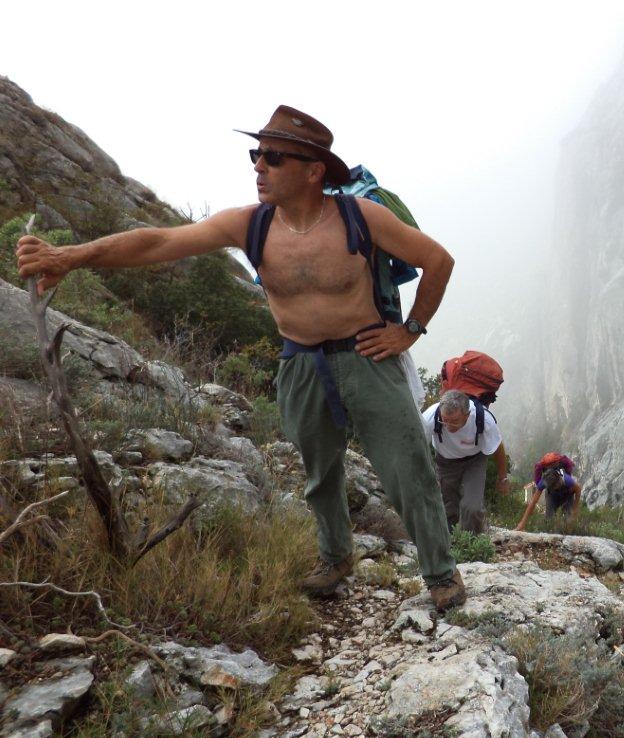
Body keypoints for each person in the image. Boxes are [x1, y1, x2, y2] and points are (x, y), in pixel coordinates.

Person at [17, 105, 466, 610]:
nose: (259, 167)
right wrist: (70, 256)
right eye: (257, 155)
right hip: (300, 364)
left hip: (366, 354)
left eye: (274, 158)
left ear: (314, 170)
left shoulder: (358, 217)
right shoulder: (250, 225)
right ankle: (336, 559)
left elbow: (438, 260)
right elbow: (159, 242)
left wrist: (408, 332)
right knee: (321, 474)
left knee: (407, 467)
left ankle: (440, 573)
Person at [421, 390, 508, 534]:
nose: (448, 426)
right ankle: (449, 542)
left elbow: (497, 447)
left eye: (454, 421)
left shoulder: (483, 419)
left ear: (467, 415)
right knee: (447, 506)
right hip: (445, 462)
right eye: (444, 420)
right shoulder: (431, 416)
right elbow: (416, 444)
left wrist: (503, 478)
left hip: (474, 461)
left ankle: (471, 543)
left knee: (472, 507)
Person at [515, 464, 582, 531]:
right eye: (553, 487)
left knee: (568, 518)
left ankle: (567, 532)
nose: (556, 487)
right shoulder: (544, 483)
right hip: (552, 496)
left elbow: (578, 490)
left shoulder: (567, 480)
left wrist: (575, 508)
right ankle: (551, 533)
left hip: (568, 495)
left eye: (557, 485)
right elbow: (533, 502)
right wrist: (522, 523)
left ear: (559, 480)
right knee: (550, 519)